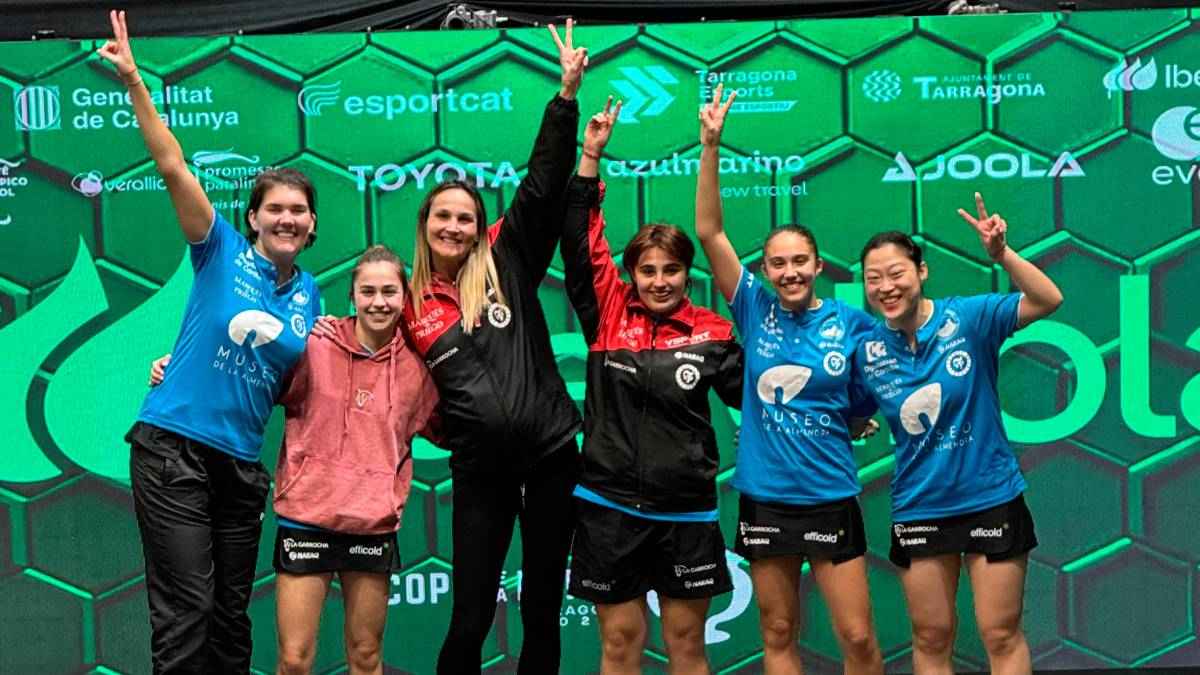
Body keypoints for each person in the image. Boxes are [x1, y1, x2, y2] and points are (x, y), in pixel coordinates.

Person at [101, 10, 323, 673]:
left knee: (230, 619)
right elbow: (171, 166)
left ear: (312, 227)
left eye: (299, 210)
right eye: (274, 208)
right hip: (174, 451)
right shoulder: (217, 248)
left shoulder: (311, 292)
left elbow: (290, 376)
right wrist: (137, 83)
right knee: (187, 611)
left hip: (241, 468)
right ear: (251, 217)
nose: (287, 217)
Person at [398, 20, 586, 675]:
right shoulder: (406, 304)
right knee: (471, 613)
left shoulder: (506, 259)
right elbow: (351, 359)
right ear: (425, 226)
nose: (455, 225)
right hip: (481, 470)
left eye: (466, 216)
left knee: (540, 607)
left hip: (553, 455)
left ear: (480, 226)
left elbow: (541, 185)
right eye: (442, 215)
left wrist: (564, 99)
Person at [151, 247, 438, 675]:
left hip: (372, 525)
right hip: (307, 519)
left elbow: (460, 423)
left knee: (365, 656)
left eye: (389, 291)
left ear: (404, 297)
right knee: (294, 661)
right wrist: (180, 368)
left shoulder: (419, 371)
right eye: (368, 291)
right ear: (352, 296)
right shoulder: (312, 346)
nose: (379, 301)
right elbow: (246, 371)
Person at [693, 84, 884, 675]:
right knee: (777, 630)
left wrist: (858, 418)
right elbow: (709, 232)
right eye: (778, 262)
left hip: (829, 497)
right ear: (766, 270)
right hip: (766, 495)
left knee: (856, 638)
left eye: (800, 261)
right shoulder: (753, 307)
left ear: (818, 266)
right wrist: (710, 145)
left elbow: (865, 399)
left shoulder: (853, 322)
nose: (790, 271)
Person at [559, 98, 744, 675]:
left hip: (686, 514)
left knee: (687, 647)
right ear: (631, 273)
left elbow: (761, 402)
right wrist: (590, 155)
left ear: (687, 272)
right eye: (647, 270)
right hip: (608, 510)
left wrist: (843, 414)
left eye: (671, 270)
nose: (660, 281)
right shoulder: (607, 315)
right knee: (619, 645)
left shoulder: (714, 331)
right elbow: (580, 236)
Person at [855, 199, 1062, 675]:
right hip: (921, 505)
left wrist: (1003, 254)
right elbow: (847, 411)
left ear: (921, 271)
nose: (886, 287)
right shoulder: (865, 350)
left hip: (989, 496)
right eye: (873, 278)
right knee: (930, 637)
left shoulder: (969, 318)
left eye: (896, 273)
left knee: (1000, 633)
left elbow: (1048, 299)